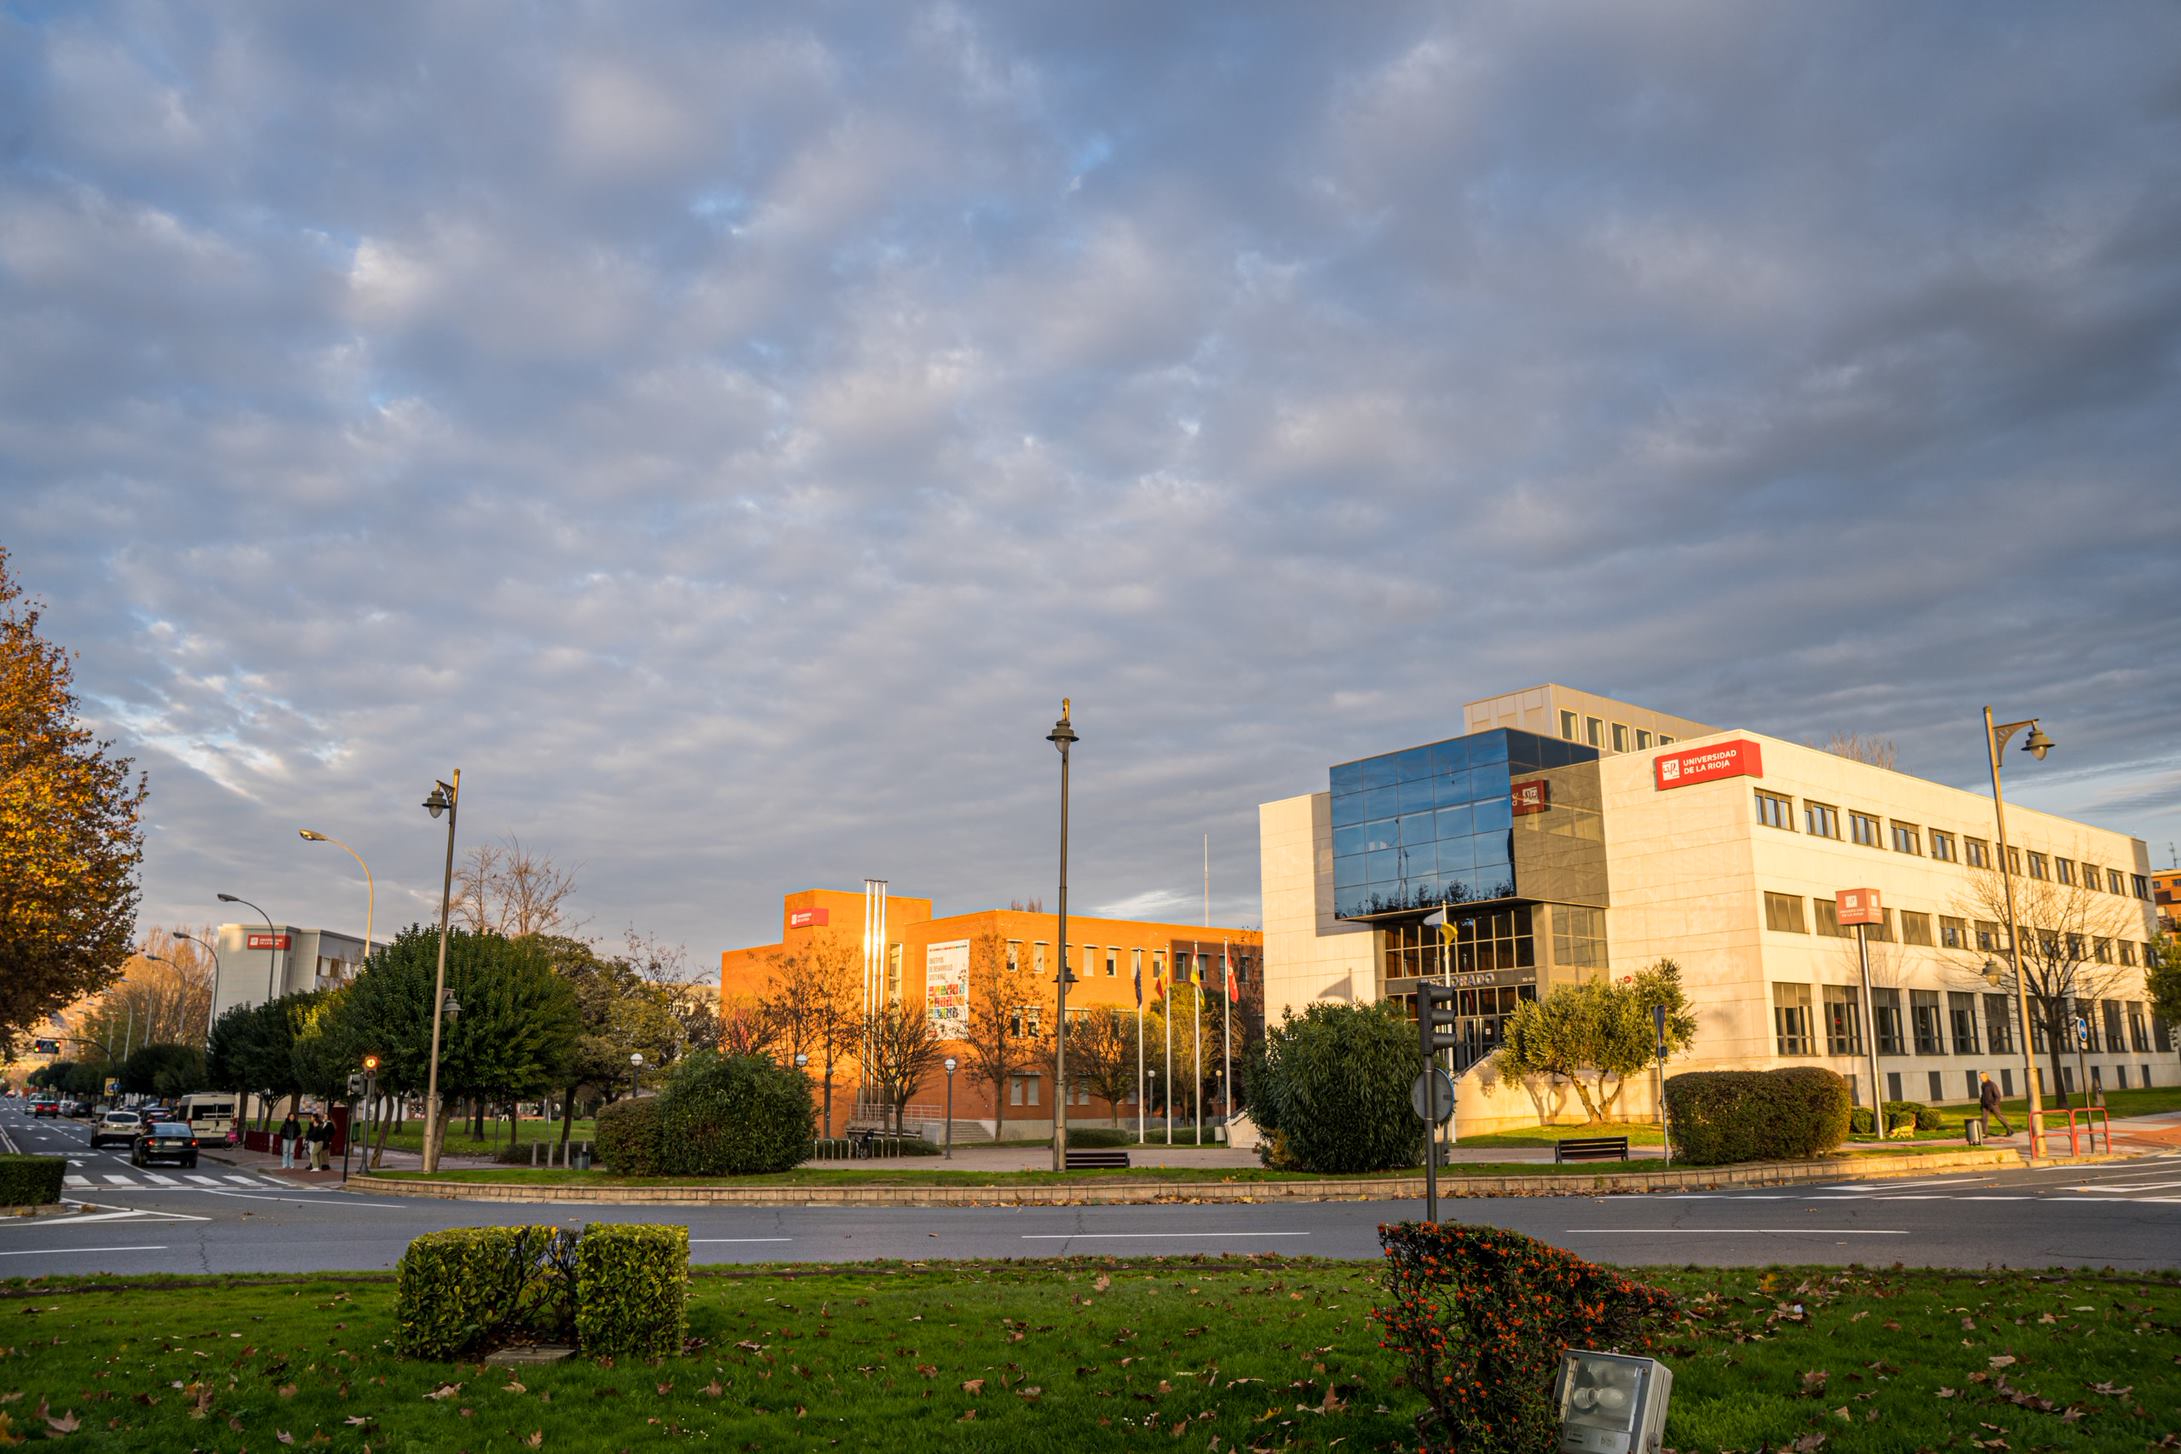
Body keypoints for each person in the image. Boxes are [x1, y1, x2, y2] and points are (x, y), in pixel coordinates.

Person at [1978, 1074, 2014, 1139]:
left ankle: (2010, 1129)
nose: (1980, 1078)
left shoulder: (1991, 1084)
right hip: (1985, 1105)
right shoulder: (1983, 1085)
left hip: (1993, 1105)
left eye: (1981, 1077)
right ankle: (1984, 1133)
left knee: (1999, 1117)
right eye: (1979, 1077)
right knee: (1984, 1119)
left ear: (1985, 1076)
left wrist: (1995, 1104)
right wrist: (1981, 1102)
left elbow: (1998, 1095)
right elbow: (1983, 1094)